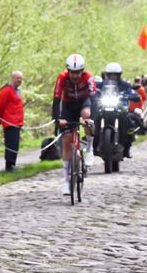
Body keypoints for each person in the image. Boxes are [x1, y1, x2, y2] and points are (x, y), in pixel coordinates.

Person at [51, 53, 96, 195]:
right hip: (68, 105)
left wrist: (92, 119)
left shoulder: (89, 78)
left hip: (84, 103)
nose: (75, 76)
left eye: (77, 72)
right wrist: (58, 119)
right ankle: (66, 181)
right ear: (67, 70)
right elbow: (56, 99)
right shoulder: (62, 78)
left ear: (82, 71)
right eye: (72, 72)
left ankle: (89, 148)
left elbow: (94, 100)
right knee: (66, 140)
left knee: (87, 116)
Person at [99, 62, 140, 159]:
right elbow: (94, 90)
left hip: (121, 108)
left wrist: (133, 95)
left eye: (115, 74)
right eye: (111, 74)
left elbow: (132, 92)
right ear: (107, 75)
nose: (113, 76)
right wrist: (93, 94)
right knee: (95, 118)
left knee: (129, 121)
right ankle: (95, 141)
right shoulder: (102, 84)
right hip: (105, 107)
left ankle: (127, 147)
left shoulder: (125, 85)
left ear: (119, 75)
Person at [0, 71, 25, 172]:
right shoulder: (6, 91)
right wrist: (0, 119)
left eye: (21, 78)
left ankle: (13, 164)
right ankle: (9, 166)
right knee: (11, 145)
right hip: (9, 122)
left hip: (17, 122)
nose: (19, 80)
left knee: (15, 144)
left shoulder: (18, 91)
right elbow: (0, 106)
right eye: (17, 78)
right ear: (12, 78)